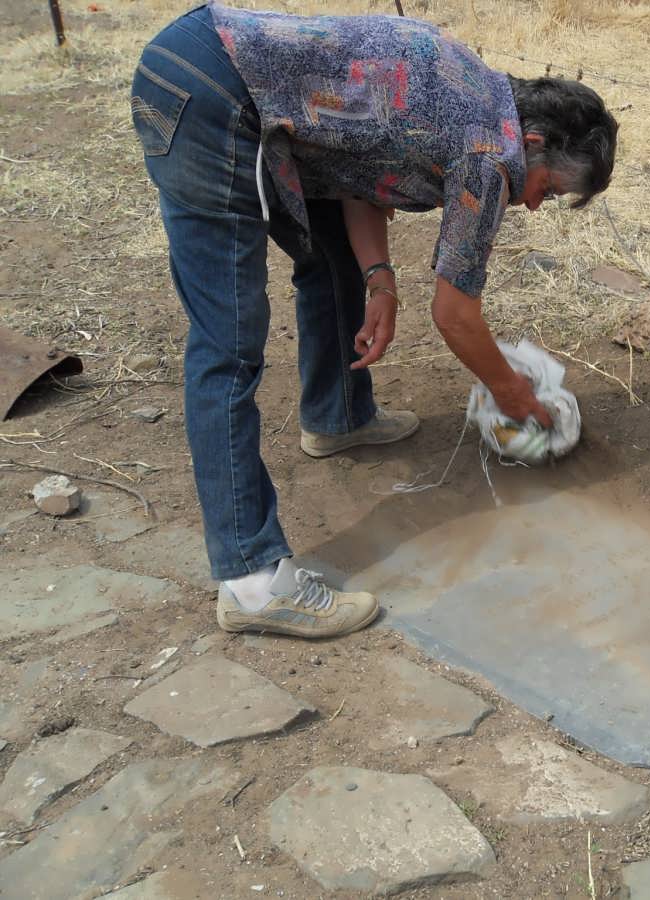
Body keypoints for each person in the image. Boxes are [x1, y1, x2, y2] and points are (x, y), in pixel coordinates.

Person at [130, 3, 618, 639]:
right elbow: (455, 316)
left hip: (203, 65)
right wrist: (512, 392)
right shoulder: (490, 154)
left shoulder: (475, 91)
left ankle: (338, 417)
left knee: (331, 262)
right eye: (548, 190)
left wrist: (379, 281)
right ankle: (251, 583)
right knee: (229, 343)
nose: (533, 205)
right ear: (533, 143)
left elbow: (357, 170)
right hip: (217, 98)